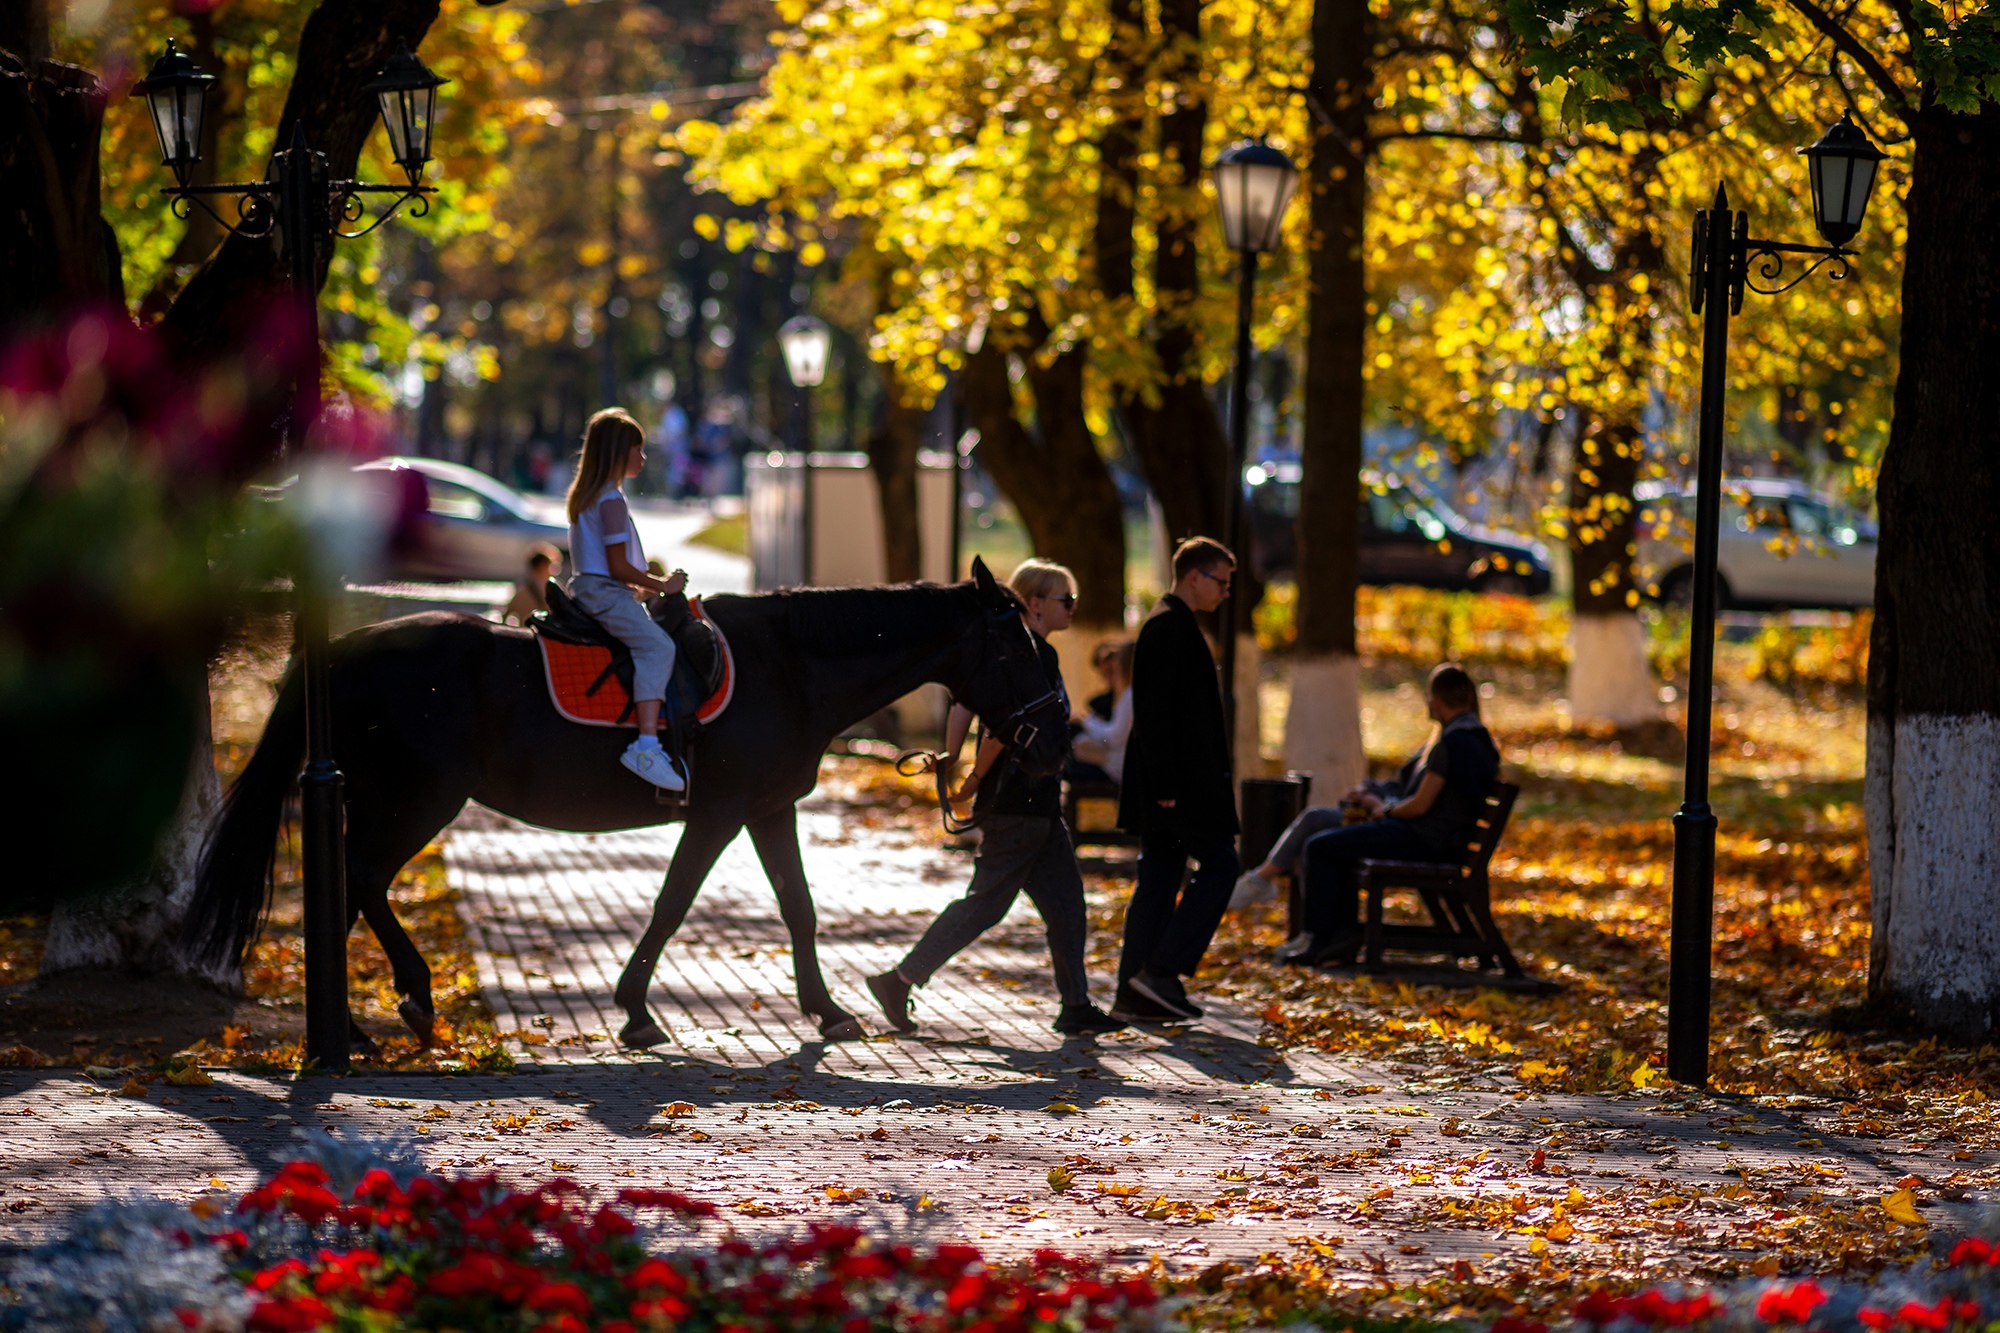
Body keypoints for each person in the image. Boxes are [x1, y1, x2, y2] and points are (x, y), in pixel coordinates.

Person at [864, 560, 1123, 1038]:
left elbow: (964, 703)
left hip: (1035, 801)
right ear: (1036, 603)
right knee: (986, 905)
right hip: (1017, 801)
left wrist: (951, 754)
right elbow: (1007, 729)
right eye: (1067, 600)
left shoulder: (1012, 653)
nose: (1073, 609)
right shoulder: (1031, 656)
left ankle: (1076, 1004)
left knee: (1066, 904)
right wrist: (969, 779)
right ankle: (898, 980)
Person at [1267, 663, 1500, 967]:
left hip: (1423, 840)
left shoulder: (1452, 744)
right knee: (1335, 843)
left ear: (1435, 700)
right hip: (1442, 840)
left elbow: (1419, 805)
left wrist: (1383, 810)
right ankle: (1340, 936)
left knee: (1319, 846)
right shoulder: (1479, 740)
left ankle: (1322, 937)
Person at [1112, 537, 1240, 1023]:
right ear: (1194, 577)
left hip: (1177, 786)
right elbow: (1154, 713)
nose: (1225, 593)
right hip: (1178, 790)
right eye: (1221, 582)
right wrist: (1165, 784)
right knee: (1222, 865)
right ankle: (1162, 969)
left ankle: (1135, 991)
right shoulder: (1167, 628)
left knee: (1160, 878)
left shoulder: (1177, 625)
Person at [564, 407, 689, 793]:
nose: (643, 457)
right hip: (604, 593)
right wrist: (662, 585)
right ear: (620, 453)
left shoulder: (589, 496)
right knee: (658, 647)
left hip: (589, 587)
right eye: (639, 448)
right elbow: (618, 566)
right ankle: (646, 745)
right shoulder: (612, 500)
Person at [1071, 640, 1135, 785]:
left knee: (1067, 765)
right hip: (1118, 762)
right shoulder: (1127, 695)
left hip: (1117, 767)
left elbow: (1114, 737)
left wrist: (1086, 722)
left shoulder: (1129, 695)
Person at [503, 544, 561, 626]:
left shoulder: (521, 588)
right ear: (542, 566)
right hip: (545, 634)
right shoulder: (552, 587)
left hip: (525, 634)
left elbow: (507, 613)